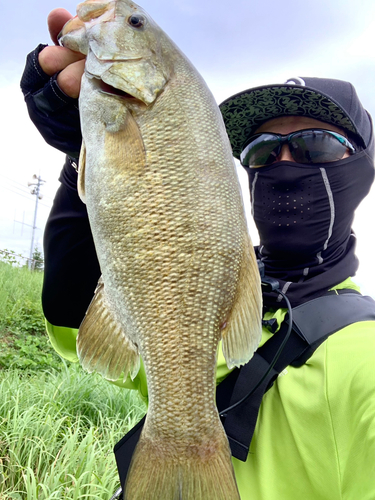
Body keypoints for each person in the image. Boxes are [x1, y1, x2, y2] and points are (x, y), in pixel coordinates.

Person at [21, 8, 375, 500]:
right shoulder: (211, 314)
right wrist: (79, 157)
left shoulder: (366, 355)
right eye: (261, 152)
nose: (283, 164)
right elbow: (70, 318)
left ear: (361, 169)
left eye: (314, 144)